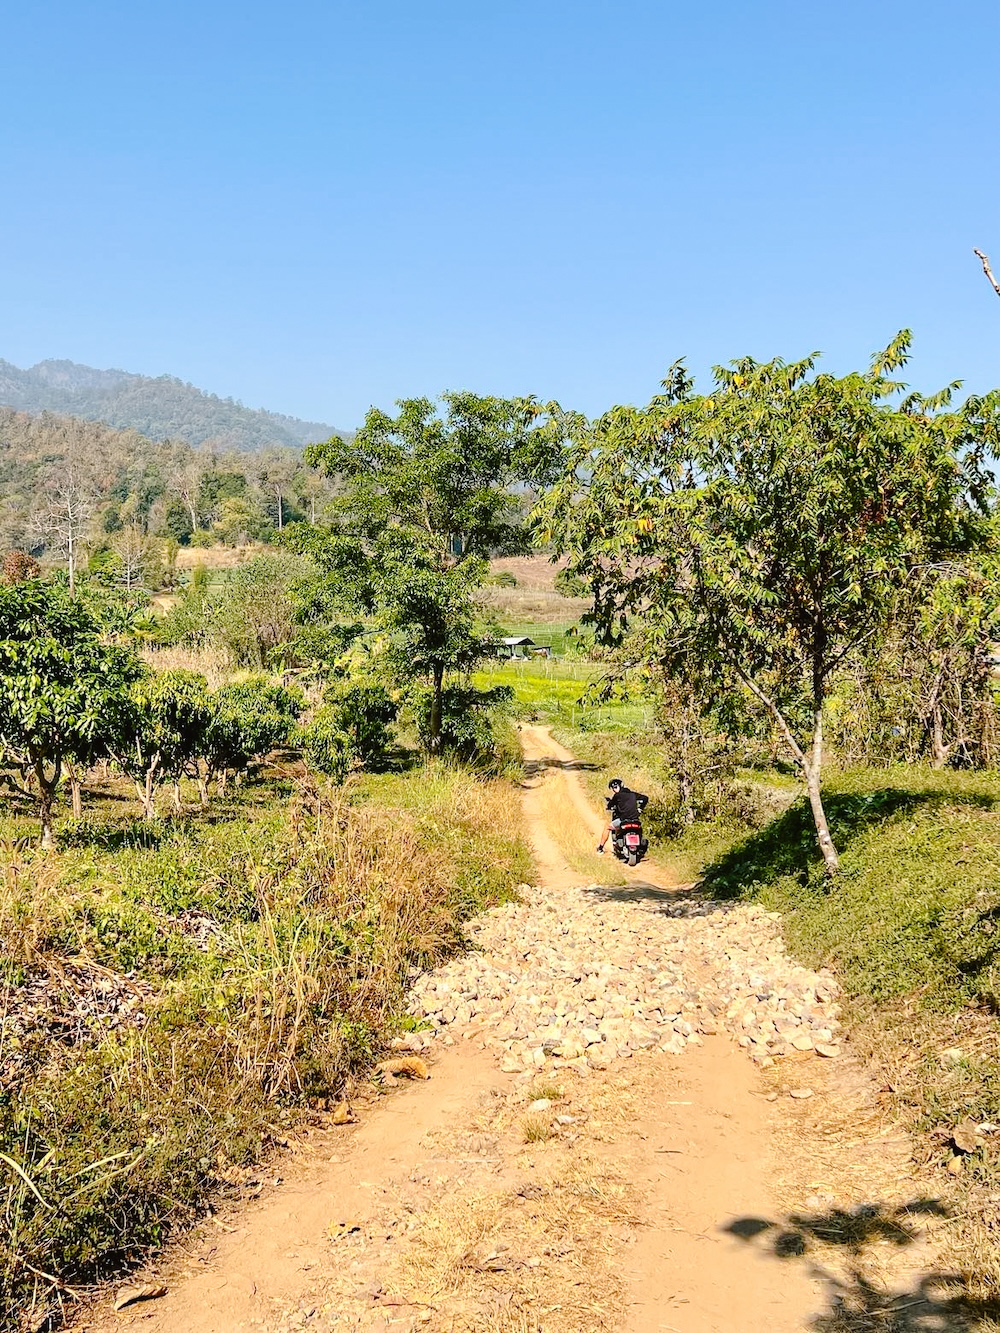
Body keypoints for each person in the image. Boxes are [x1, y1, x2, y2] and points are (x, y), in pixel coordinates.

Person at [596, 778, 648, 853]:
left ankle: (600, 848)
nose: (614, 790)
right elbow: (645, 798)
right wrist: (640, 809)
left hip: (623, 820)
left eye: (615, 787)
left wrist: (608, 806)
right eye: (613, 788)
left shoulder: (617, 796)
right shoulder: (632, 794)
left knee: (607, 827)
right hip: (635, 820)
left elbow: (610, 804)